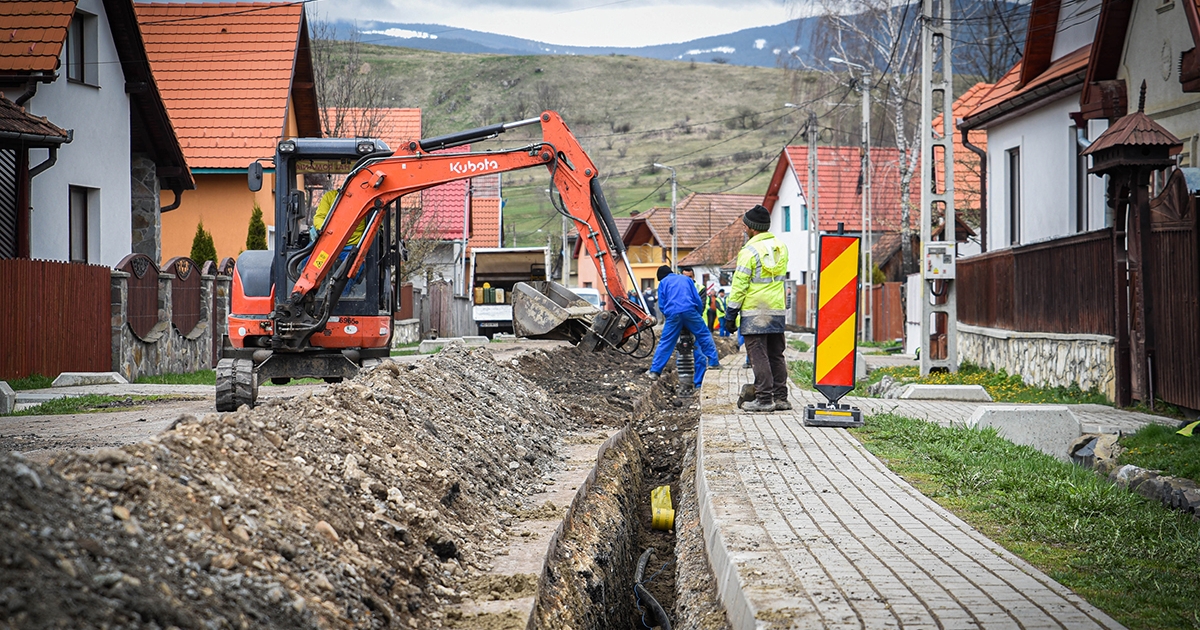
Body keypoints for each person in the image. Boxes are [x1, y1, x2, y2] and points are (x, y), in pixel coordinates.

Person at [725, 204, 789, 412]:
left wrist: (730, 313)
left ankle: (763, 399)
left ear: (752, 227)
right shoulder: (781, 247)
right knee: (776, 353)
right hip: (776, 308)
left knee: (758, 353)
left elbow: (739, 285)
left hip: (755, 310)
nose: (744, 229)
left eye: (746, 226)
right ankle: (781, 398)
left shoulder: (749, 251)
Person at [648, 265, 720, 387]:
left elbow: (662, 304)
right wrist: (696, 315)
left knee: (666, 341)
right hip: (690, 311)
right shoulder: (686, 279)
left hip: (673, 314)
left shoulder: (663, 283)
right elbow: (696, 299)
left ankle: (655, 371)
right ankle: (713, 362)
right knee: (703, 335)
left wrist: (670, 316)